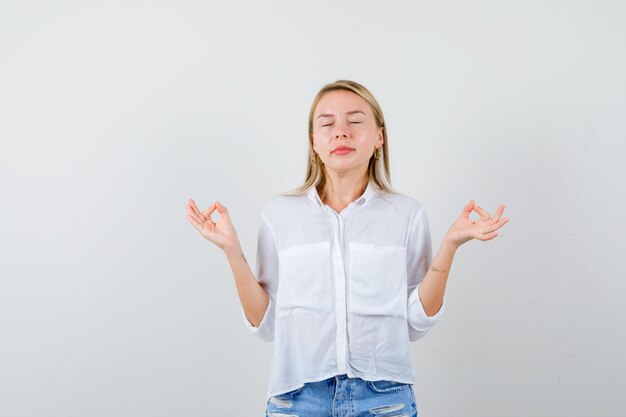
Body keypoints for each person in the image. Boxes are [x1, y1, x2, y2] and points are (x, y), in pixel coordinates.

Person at [185, 80, 509, 416]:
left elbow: (415, 321)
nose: (341, 133)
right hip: (296, 399)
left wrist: (450, 246)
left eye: (355, 121)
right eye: (327, 124)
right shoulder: (279, 215)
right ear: (314, 142)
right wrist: (231, 251)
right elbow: (266, 324)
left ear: (379, 138)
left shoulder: (407, 214)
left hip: (384, 399)